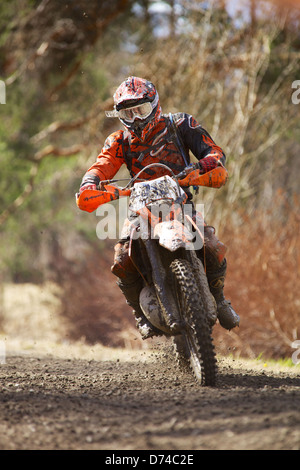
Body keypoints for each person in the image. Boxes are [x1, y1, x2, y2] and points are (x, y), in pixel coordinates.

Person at [79, 76, 240, 339]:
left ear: (154, 105)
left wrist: (205, 165)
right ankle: (140, 315)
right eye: (127, 113)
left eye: (140, 109)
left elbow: (213, 151)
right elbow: (101, 166)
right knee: (121, 257)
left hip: (180, 201)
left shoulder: (181, 124)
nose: (136, 118)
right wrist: (90, 183)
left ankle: (220, 300)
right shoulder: (119, 140)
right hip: (140, 207)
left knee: (211, 244)